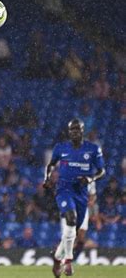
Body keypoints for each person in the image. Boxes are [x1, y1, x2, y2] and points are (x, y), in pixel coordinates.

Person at [43, 118, 106, 277]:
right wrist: (47, 177)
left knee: (73, 234)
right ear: (68, 131)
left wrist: (90, 180)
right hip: (64, 190)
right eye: (71, 130)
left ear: (83, 131)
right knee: (70, 219)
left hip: (81, 193)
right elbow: (51, 164)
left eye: (77, 129)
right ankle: (68, 261)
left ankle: (58, 258)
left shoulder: (92, 149)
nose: (74, 132)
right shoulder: (61, 148)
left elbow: (101, 171)